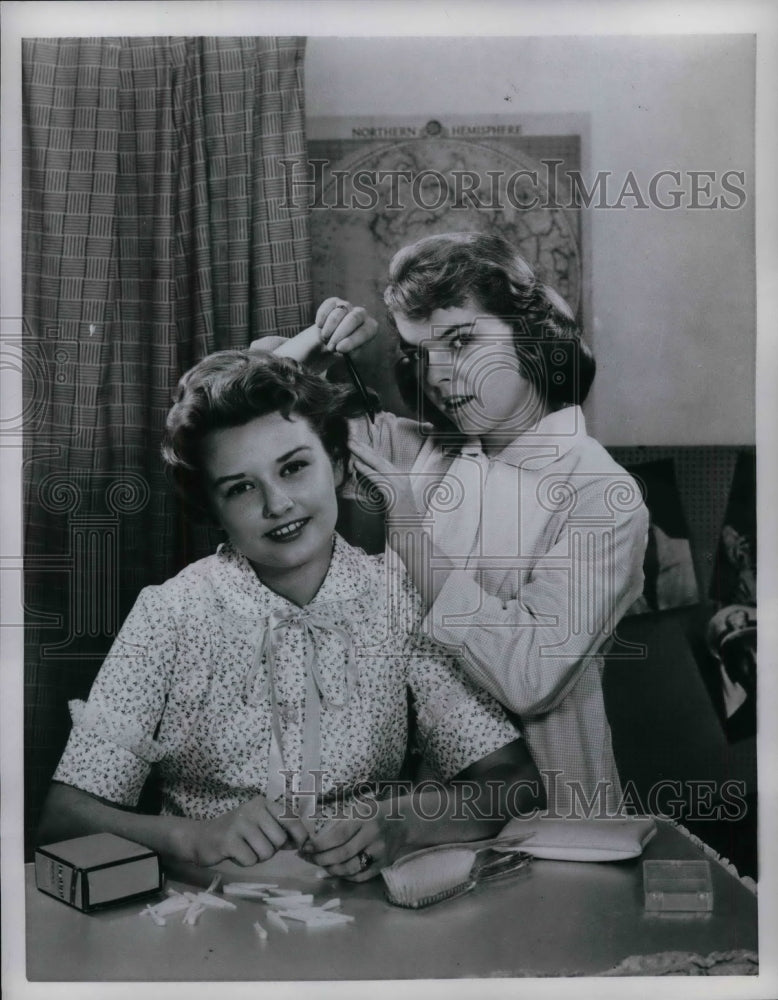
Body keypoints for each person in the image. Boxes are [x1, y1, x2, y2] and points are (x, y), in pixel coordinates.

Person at [37, 350, 545, 879]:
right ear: (211, 510)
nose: (277, 504)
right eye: (241, 488)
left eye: (294, 467)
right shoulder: (170, 613)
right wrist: (191, 838)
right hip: (206, 916)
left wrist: (404, 825)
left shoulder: (396, 597)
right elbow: (64, 819)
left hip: (366, 909)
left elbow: (513, 780)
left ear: (341, 465)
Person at [256, 231, 649, 817]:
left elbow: (530, 677)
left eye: (461, 340)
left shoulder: (606, 495)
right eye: (419, 352)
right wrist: (314, 347)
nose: (438, 375)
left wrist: (410, 531)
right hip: (431, 813)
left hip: (557, 810)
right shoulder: (425, 450)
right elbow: (247, 416)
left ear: (530, 331)